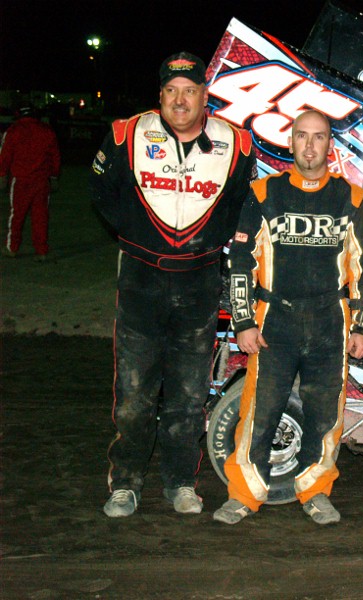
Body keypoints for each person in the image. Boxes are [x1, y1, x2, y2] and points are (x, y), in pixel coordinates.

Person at [89, 52, 256, 517]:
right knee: (134, 395)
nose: (180, 100)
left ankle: (181, 481)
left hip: (199, 281)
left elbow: (241, 205)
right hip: (141, 278)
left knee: (188, 394)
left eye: (190, 91)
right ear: (160, 95)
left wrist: (212, 241)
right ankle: (125, 483)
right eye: (171, 91)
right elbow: (100, 191)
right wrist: (134, 234)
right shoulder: (126, 134)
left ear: (205, 95)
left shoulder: (237, 144)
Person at [213, 110, 363, 526]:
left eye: (318, 137)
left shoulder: (352, 198)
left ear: (330, 145)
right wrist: (243, 321)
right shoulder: (263, 192)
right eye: (302, 136)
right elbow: (240, 260)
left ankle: (315, 490)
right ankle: (244, 494)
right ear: (290, 142)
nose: (309, 145)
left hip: (331, 322)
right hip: (275, 320)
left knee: (325, 414)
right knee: (260, 410)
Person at [0, 106, 60, 260]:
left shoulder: (13, 131)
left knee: (17, 216)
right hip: (41, 180)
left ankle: (12, 248)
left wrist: (2, 175)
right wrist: (54, 176)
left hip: (20, 180)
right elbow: (55, 156)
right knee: (40, 216)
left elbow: (5, 155)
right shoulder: (47, 131)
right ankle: (41, 250)